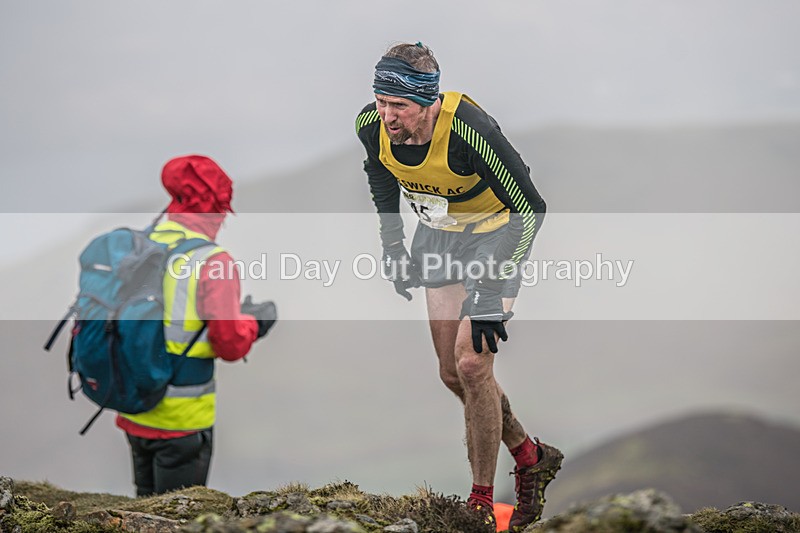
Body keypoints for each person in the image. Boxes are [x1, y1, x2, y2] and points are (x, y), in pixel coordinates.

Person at [355, 43, 562, 530]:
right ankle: (530, 453)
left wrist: (489, 296)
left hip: (496, 237)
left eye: (399, 106)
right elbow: (380, 175)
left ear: (427, 102)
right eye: (381, 102)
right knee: (452, 374)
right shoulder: (372, 125)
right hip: (439, 239)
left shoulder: (469, 130)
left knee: (473, 363)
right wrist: (393, 247)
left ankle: (482, 504)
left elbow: (530, 209)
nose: (387, 115)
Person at [115, 154, 277, 497]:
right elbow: (229, 345)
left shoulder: (143, 246)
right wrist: (255, 323)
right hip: (181, 421)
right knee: (176, 516)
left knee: (144, 508)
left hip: (135, 408)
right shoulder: (212, 262)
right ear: (217, 207)